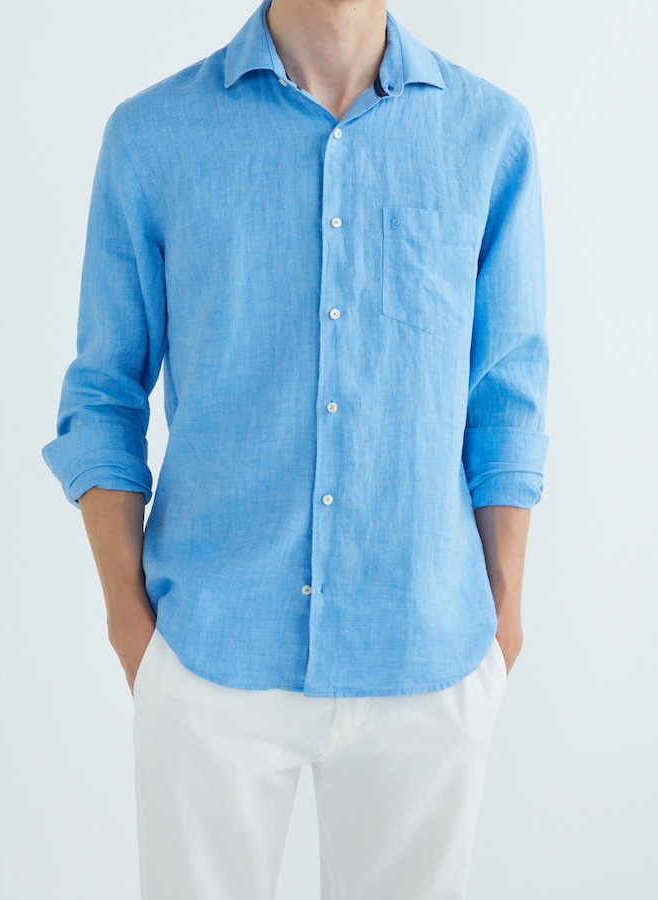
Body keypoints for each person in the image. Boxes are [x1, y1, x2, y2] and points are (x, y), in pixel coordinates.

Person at [42, 0, 549, 897]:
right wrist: (132, 628)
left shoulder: (490, 135)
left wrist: (501, 615)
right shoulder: (153, 136)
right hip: (208, 649)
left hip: (427, 652)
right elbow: (104, 394)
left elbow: (506, 393)